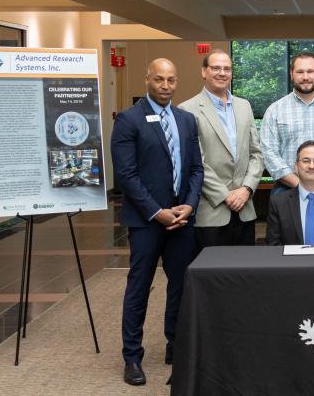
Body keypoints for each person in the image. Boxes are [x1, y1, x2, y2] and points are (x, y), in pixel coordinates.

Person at [111, 58, 203, 385]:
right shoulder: (128, 119)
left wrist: (188, 206)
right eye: (159, 79)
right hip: (147, 221)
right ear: (147, 78)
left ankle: (175, 346)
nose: (165, 86)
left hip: (181, 220)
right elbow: (126, 175)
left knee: (180, 286)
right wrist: (156, 211)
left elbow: (195, 170)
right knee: (140, 287)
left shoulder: (187, 120)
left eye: (171, 80)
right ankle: (132, 357)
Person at [179, 49, 263, 250]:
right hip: (211, 212)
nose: (222, 73)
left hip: (245, 209)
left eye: (227, 68)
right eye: (216, 68)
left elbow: (256, 154)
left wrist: (247, 188)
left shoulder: (244, 106)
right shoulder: (187, 110)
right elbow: (195, 162)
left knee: (245, 275)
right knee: (211, 276)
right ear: (204, 72)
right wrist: (225, 195)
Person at [260, 51, 314, 195]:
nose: (305, 77)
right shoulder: (275, 110)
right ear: (291, 74)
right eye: (300, 72)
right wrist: (298, 184)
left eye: (310, 71)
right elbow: (269, 153)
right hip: (286, 188)